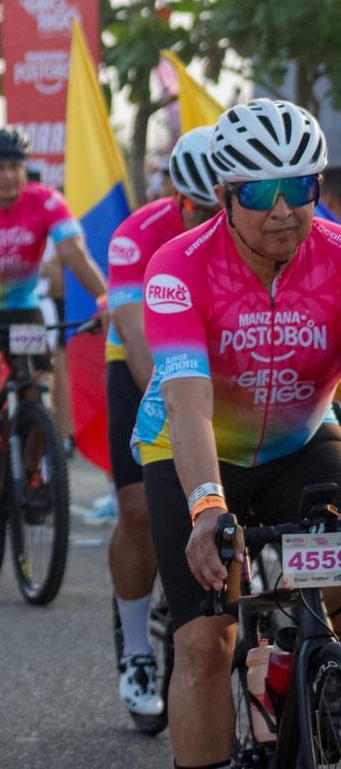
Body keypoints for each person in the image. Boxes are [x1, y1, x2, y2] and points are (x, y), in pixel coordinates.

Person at [134, 99, 336, 767]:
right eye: (259, 191)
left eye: (299, 187)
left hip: (300, 446)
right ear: (224, 195)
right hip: (188, 453)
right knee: (204, 641)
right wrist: (207, 508)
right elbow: (188, 405)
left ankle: (297, 677)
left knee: (336, 590)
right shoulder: (177, 265)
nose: (283, 209)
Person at [103, 126, 221, 725]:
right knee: (138, 509)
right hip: (145, 362)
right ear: (178, 194)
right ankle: (136, 645)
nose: (209, 217)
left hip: (230, 359)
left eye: (219, 204)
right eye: (198, 207)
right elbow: (132, 327)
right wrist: (174, 404)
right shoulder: (137, 235)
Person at [0, 127, 108, 471]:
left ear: (24, 169)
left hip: (23, 311)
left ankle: (31, 473)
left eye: (14, 167)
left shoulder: (47, 201)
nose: (7, 176)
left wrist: (106, 299)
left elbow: (75, 254)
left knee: (38, 390)